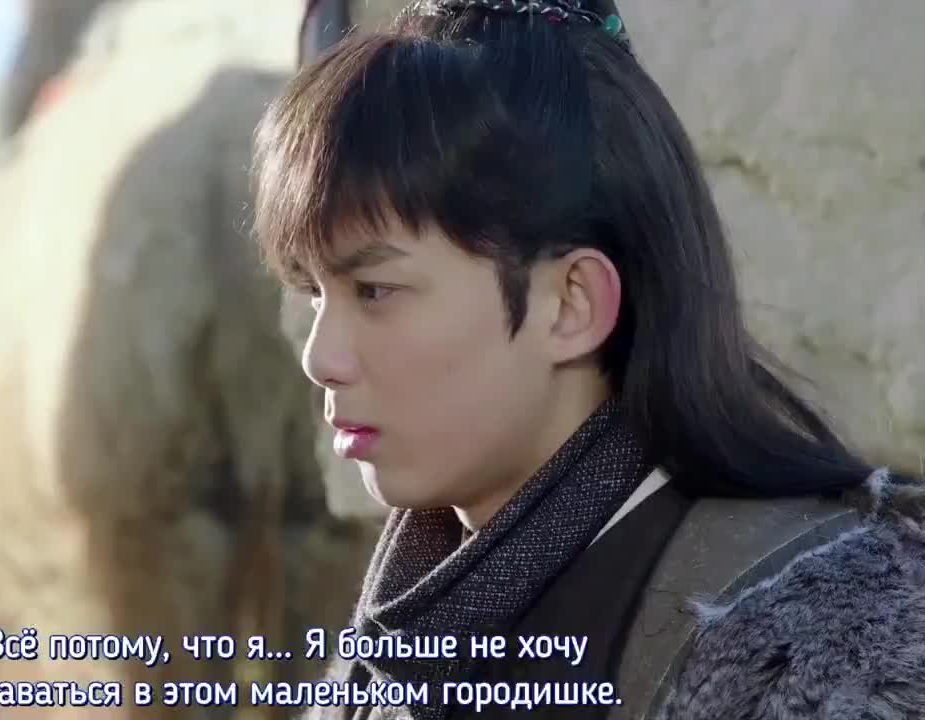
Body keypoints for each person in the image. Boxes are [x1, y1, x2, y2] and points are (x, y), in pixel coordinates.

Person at [249, 0, 925, 718]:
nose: (321, 358)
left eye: (376, 290)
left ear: (570, 304)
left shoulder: (829, 650)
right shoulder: (393, 640)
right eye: (313, 292)